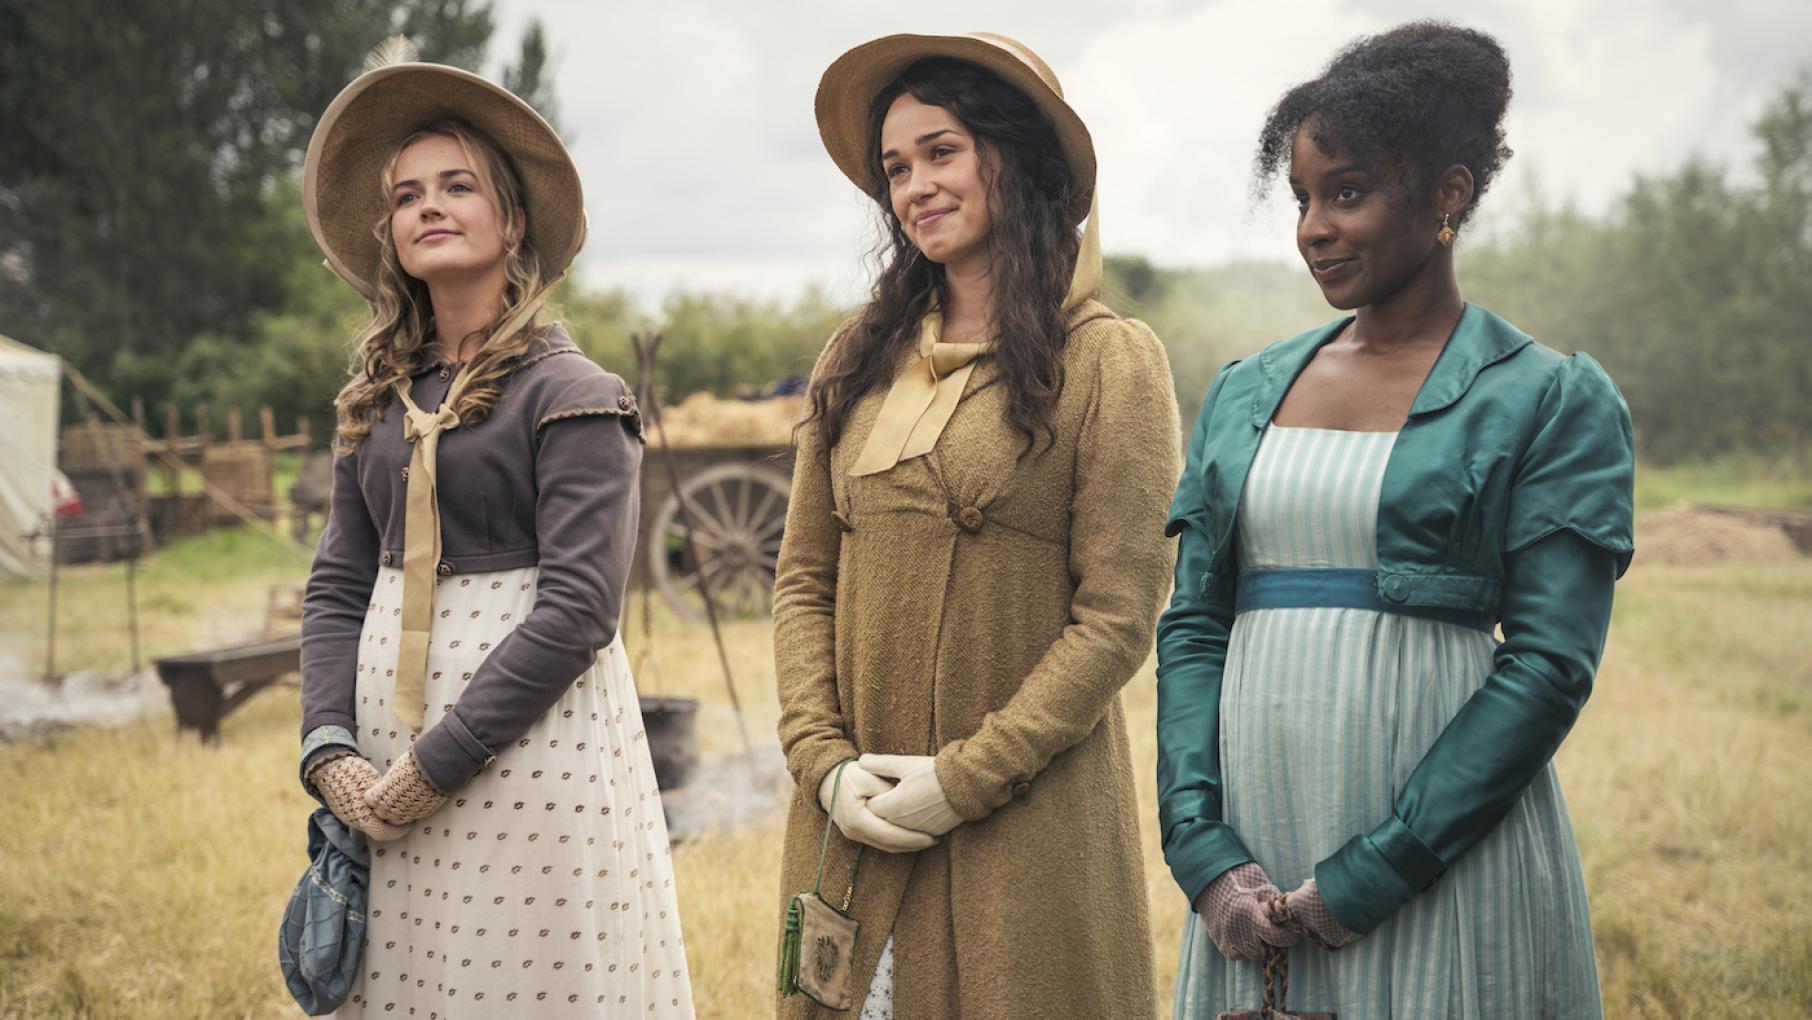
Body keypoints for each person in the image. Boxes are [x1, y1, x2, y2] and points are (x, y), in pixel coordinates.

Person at [1159, 21, 1634, 1019]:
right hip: (1256, 832)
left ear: (1448, 195)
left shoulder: (1549, 398)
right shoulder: (1244, 394)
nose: (1314, 228)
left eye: (1348, 192)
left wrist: (1381, 866)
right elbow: (1195, 627)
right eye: (1301, 199)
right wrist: (1202, 849)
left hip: (1439, 846)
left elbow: (1551, 664)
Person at [772, 32, 1179, 1019]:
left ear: (1016, 158)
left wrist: (965, 781)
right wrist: (823, 764)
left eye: (942, 152)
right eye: (896, 168)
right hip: (855, 819)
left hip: (1022, 819)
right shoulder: (854, 360)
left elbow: (1118, 618)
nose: (916, 186)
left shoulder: (1110, 363)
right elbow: (799, 581)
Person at [295, 41, 695, 1018]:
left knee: (520, 981)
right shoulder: (376, 405)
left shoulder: (573, 397)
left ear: (511, 220)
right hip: (383, 752)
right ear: (389, 233)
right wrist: (329, 745)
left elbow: (578, 612)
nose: (428, 206)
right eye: (407, 195)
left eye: (458, 186)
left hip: (529, 751)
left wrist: (440, 763)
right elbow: (339, 584)